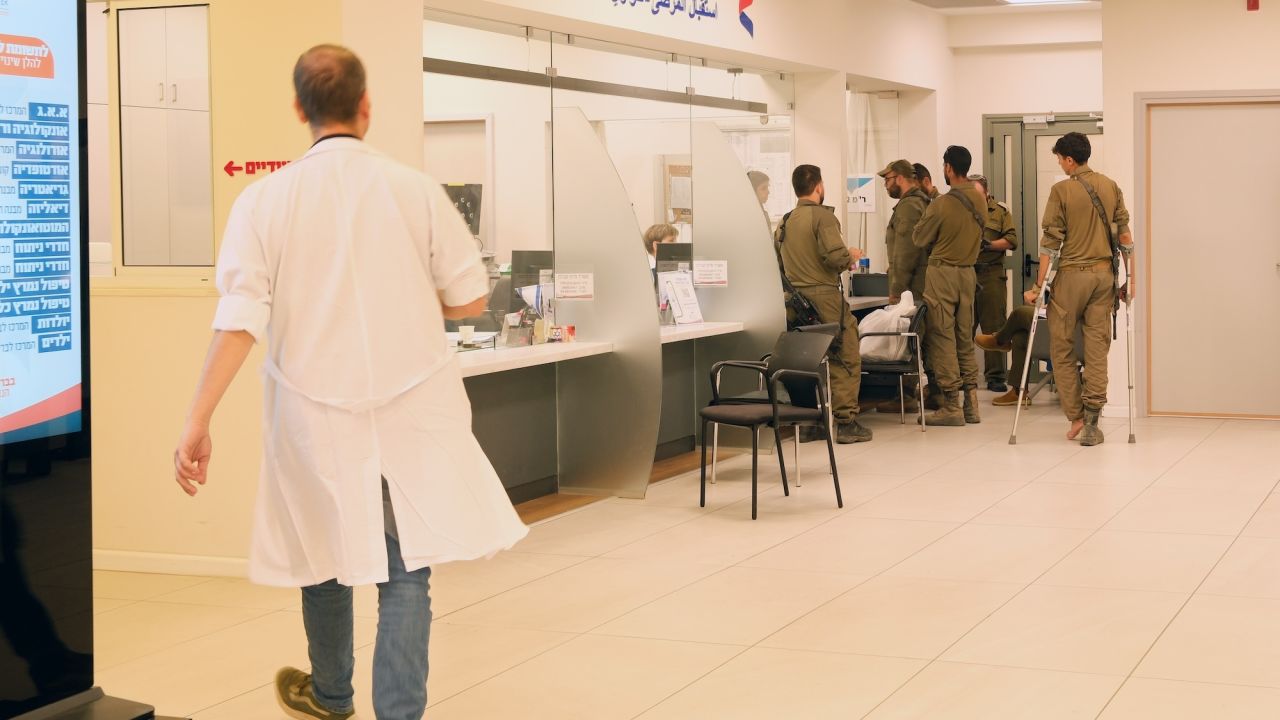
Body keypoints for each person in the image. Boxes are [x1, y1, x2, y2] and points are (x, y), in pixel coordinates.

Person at [172, 45, 528, 720]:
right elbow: (470, 298)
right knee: (406, 572)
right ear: (366, 107)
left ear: (299, 110)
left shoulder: (263, 200)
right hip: (410, 408)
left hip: (312, 414)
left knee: (323, 559)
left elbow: (240, 317)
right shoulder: (416, 190)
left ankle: (332, 697)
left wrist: (198, 419)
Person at [1027, 131, 1133, 446]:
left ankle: (1074, 415)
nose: (1060, 165)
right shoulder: (1111, 186)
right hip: (1104, 278)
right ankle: (1091, 422)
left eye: (1060, 159)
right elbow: (1126, 239)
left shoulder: (1061, 191)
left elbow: (1050, 244)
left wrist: (1037, 287)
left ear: (1070, 159)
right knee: (1097, 349)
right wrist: (1132, 280)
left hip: (1071, 278)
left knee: (1061, 347)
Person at [777, 164, 872, 443]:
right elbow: (835, 258)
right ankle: (845, 422)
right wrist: (851, 253)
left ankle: (809, 421)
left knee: (808, 359)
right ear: (819, 186)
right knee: (845, 354)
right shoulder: (822, 218)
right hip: (825, 297)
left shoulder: (785, 221)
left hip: (795, 300)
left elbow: (779, 262)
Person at [911, 146, 986, 426]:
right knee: (964, 338)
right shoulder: (979, 199)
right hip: (968, 275)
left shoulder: (940, 205)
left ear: (949, 169)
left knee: (942, 337)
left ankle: (951, 405)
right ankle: (972, 404)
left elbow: (919, 237)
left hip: (942, 275)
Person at [875, 159, 932, 413]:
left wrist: (896, 290)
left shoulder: (909, 207)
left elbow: (906, 252)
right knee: (924, 338)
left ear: (898, 178)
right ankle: (931, 393)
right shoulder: (920, 202)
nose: (886, 186)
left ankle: (907, 395)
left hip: (912, 286)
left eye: (887, 180)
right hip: (920, 281)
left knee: (910, 338)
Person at [968, 173, 1019, 393]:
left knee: (994, 327)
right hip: (966, 273)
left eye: (977, 194)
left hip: (991, 274)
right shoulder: (961, 210)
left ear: (986, 193)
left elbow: (1012, 240)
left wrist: (989, 245)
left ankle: (996, 376)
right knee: (962, 327)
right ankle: (963, 376)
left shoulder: (1000, 212)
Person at [976, 305, 1035, 406]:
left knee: (1020, 313)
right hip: (1053, 314)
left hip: (1066, 318)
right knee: (1020, 337)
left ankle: (999, 340)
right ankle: (1019, 393)